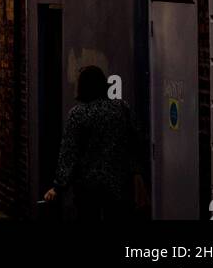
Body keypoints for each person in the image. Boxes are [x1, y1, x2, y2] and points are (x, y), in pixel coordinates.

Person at [43, 65, 147, 220]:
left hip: (88, 186)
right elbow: (136, 141)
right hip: (119, 183)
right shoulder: (121, 108)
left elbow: (69, 153)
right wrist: (137, 171)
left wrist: (58, 187)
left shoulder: (78, 114)